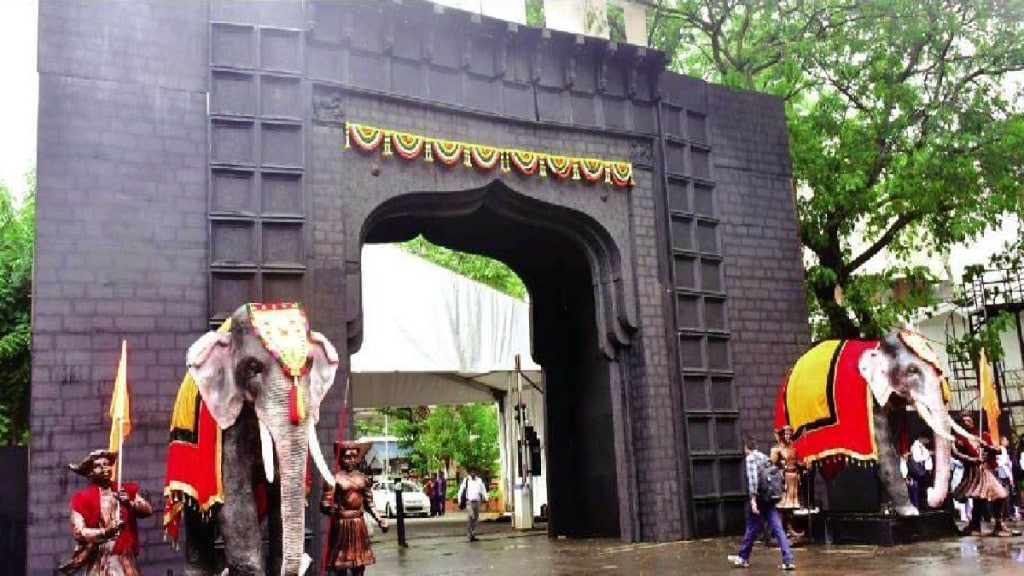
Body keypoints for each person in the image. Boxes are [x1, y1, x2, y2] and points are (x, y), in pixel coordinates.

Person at [59, 449, 154, 576]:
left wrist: (129, 503)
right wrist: (105, 532)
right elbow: (79, 532)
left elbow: (148, 510)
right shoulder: (82, 499)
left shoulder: (124, 491)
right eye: (98, 466)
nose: (105, 469)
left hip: (124, 555)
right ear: (91, 472)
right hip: (100, 555)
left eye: (107, 464)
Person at [320, 441, 389, 575]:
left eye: (354, 457)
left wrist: (380, 520)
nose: (351, 460)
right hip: (342, 525)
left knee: (359, 563)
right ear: (339, 458)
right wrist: (328, 507)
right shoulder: (334, 479)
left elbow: (369, 503)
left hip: (358, 524)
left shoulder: (362, 478)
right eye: (347, 457)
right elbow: (324, 503)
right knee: (341, 564)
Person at [728, 436, 795, 571]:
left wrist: (753, 500)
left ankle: (743, 557)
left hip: (760, 498)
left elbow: (753, 480)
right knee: (778, 528)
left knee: (752, 527)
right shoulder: (764, 457)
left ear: (746, 447)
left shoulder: (751, 459)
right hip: (770, 497)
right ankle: (788, 560)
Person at [951, 414, 1010, 537]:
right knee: (980, 499)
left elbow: (995, 449)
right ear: (960, 424)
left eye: (970, 419)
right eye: (966, 420)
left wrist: (989, 448)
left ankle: (994, 524)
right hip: (974, 472)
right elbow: (956, 454)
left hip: (986, 470)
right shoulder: (957, 439)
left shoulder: (979, 436)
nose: (970, 422)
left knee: (999, 495)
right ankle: (976, 525)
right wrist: (973, 460)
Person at [770, 426, 804, 540]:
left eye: (790, 433)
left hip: (793, 477)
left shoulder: (793, 447)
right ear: (782, 435)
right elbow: (772, 465)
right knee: (782, 505)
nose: (788, 435)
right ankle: (778, 531)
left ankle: (789, 529)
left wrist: (804, 464)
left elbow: (797, 461)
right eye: (786, 433)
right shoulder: (777, 449)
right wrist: (780, 468)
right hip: (784, 478)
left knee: (790, 506)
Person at [457, 470, 489, 542]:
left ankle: (472, 532)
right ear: (470, 473)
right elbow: (461, 490)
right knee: (472, 516)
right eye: (471, 472)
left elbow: (483, 490)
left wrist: (486, 499)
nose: (473, 474)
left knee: (475, 518)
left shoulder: (479, 481)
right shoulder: (467, 480)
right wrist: (459, 500)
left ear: (476, 473)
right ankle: (469, 532)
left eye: (474, 472)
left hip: (477, 501)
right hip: (469, 501)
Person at [908, 433, 934, 511]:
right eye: (927, 439)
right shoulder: (916, 446)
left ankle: (923, 507)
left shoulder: (923, 447)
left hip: (923, 471)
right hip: (918, 471)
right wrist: (928, 454)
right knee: (918, 490)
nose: (928, 441)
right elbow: (917, 458)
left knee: (923, 490)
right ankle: (919, 507)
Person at [996, 436, 1015, 520]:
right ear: (1002, 441)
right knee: (1005, 494)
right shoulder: (1001, 449)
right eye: (1006, 440)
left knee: (1007, 494)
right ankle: (1005, 514)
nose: (1007, 441)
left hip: (1006, 473)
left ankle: (1006, 513)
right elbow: (1001, 463)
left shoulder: (1005, 450)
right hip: (1003, 474)